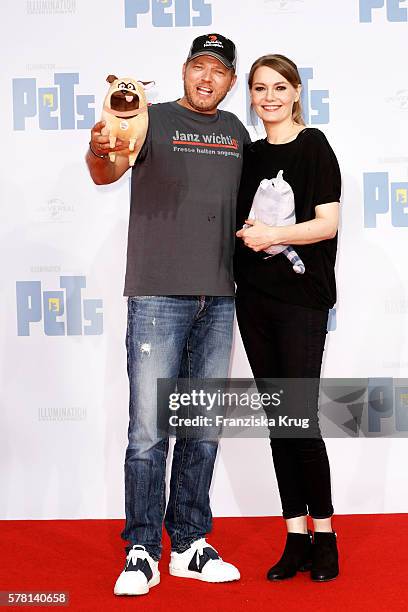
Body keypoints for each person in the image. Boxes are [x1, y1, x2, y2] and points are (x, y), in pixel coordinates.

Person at [86, 34, 251, 596]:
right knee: (149, 430)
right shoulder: (150, 119)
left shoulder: (236, 133)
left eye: (219, 71)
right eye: (199, 67)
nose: (207, 78)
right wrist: (102, 148)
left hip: (221, 298)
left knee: (202, 429)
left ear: (232, 82)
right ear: (184, 71)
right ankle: (140, 548)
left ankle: (188, 543)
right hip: (158, 295)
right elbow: (105, 172)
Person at [235, 54, 341, 582]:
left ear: (297, 92)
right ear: (250, 96)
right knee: (280, 423)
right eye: (259, 88)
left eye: (280, 87)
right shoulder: (249, 155)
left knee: (300, 419)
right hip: (253, 300)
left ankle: (326, 534)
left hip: (301, 302)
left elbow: (326, 224)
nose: (270, 97)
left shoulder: (314, 145)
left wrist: (273, 235)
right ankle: (295, 534)